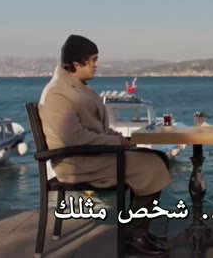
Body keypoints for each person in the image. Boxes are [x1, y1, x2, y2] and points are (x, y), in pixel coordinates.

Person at [39, 34, 172, 257]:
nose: (96, 65)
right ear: (76, 64)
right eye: (93, 60)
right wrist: (115, 142)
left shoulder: (76, 87)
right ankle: (135, 235)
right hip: (77, 162)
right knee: (152, 165)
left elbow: (95, 128)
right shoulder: (58, 94)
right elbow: (74, 138)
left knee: (159, 157)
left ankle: (137, 229)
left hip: (93, 155)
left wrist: (119, 138)